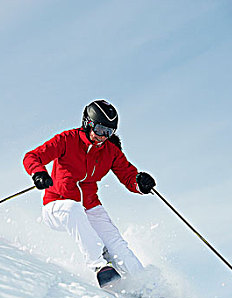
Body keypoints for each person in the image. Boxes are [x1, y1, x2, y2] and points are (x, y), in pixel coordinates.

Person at [23, 99, 156, 286]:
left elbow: (128, 176)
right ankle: (101, 265)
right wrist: (39, 173)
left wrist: (139, 183)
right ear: (88, 123)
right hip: (57, 205)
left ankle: (150, 289)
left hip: (90, 206)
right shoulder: (67, 140)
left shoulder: (110, 151)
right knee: (72, 209)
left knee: (116, 243)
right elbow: (32, 156)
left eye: (109, 132)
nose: (103, 136)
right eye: (101, 130)